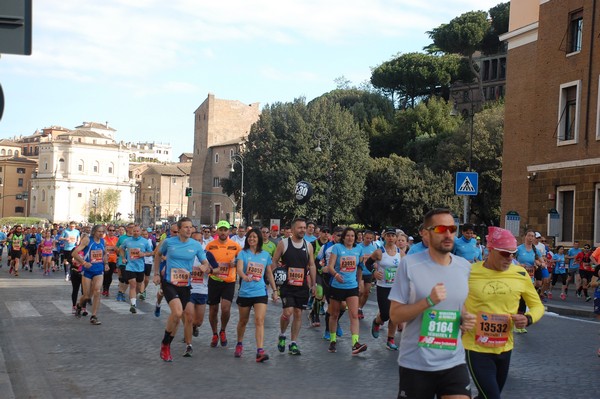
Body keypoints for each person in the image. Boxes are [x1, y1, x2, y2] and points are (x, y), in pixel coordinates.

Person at [389, 208, 476, 399]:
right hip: (416, 363)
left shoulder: (464, 267)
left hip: (453, 361)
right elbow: (395, 315)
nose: (447, 234)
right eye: (440, 229)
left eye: (452, 229)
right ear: (426, 233)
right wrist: (428, 301)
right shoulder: (409, 265)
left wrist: (466, 318)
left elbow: (461, 305)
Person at [463, 226, 544, 399]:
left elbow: (538, 306)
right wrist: (461, 316)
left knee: (488, 396)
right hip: (475, 347)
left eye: (513, 254)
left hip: (505, 347)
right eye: (505, 254)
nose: (510, 258)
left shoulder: (520, 274)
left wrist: (528, 318)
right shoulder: (469, 271)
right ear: (490, 250)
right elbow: (451, 300)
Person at [153, 217, 210, 361]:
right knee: (178, 312)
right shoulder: (169, 242)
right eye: (186, 227)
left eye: (191, 227)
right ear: (178, 230)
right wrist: (156, 273)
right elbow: (158, 254)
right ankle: (165, 344)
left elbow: (205, 262)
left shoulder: (195, 245)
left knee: (177, 319)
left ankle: (166, 345)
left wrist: (204, 266)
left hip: (185, 285)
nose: (189, 230)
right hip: (169, 283)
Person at [271, 217, 317, 355]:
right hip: (287, 285)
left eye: (304, 227)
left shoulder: (308, 245)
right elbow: (274, 261)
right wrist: (276, 277)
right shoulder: (283, 244)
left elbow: (312, 265)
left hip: (301, 284)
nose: (303, 230)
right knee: (288, 312)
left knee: (298, 314)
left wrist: (313, 284)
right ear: (292, 230)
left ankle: (293, 343)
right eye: (300, 227)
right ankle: (282, 334)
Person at [234, 229, 278, 362]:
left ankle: (260, 351)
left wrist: (275, 290)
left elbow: (269, 273)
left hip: (260, 292)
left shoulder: (265, 255)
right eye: (249, 237)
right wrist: (244, 277)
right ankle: (239, 343)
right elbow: (239, 269)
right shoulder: (243, 253)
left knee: (259, 320)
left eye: (254, 237)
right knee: (243, 321)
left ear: (259, 239)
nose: (251, 239)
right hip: (245, 292)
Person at [325, 226, 367, 355]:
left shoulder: (358, 249)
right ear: (343, 237)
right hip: (337, 286)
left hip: (352, 286)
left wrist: (360, 282)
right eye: (348, 235)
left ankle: (355, 343)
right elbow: (330, 267)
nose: (350, 238)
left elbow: (360, 267)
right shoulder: (337, 248)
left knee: (354, 315)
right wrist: (336, 275)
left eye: (352, 236)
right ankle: (332, 340)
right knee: (334, 314)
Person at [205, 220, 242, 348]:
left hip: (229, 281)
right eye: (220, 229)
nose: (222, 232)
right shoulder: (210, 245)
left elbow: (243, 259)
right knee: (213, 310)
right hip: (214, 280)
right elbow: (204, 259)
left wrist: (236, 262)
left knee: (225, 308)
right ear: (217, 231)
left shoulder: (235, 246)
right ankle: (214, 333)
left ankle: (223, 330)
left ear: (229, 231)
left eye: (225, 230)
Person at [367, 228, 402, 350]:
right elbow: (367, 263)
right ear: (385, 237)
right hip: (383, 287)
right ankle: (377, 322)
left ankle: (390, 339)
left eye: (393, 235)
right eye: (388, 235)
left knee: (395, 315)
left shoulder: (400, 252)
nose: (391, 238)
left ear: (396, 238)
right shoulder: (379, 252)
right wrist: (374, 273)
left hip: (396, 288)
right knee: (386, 314)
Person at [73, 225, 108, 325]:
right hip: (87, 271)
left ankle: (94, 316)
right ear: (94, 232)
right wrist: (84, 263)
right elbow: (74, 253)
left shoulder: (103, 241)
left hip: (99, 270)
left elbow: (104, 253)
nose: (101, 233)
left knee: (97, 291)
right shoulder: (87, 240)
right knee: (86, 296)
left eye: (102, 232)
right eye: (99, 232)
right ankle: (79, 306)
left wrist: (106, 264)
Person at [120, 225, 154, 314]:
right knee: (132, 284)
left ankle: (135, 296)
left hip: (140, 267)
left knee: (138, 286)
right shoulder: (127, 241)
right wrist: (123, 257)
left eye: (137, 231)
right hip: (130, 266)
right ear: (132, 231)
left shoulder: (145, 242)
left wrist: (144, 254)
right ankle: (133, 305)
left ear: (140, 232)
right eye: (134, 231)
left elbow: (151, 252)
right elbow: (121, 249)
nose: (135, 233)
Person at [357, 230, 377, 320]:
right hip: (360, 272)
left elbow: (376, 260)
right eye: (367, 238)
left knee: (366, 293)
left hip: (369, 273)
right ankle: (356, 308)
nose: (368, 240)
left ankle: (360, 308)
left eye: (370, 238)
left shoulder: (374, 248)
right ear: (363, 237)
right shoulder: (358, 246)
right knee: (360, 291)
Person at [102, 225, 119, 297]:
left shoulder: (117, 239)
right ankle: (104, 288)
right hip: (105, 259)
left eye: (113, 230)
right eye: (110, 230)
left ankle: (107, 289)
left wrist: (115, 249)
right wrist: (108, 248)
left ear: (115, 231)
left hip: (113, 259)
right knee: (105, 274)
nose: (111, 232)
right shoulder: (103, 239)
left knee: (110, 275)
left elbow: (118, 250)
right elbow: (102, 249)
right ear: (107, 231)